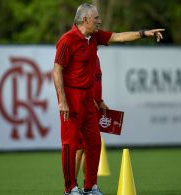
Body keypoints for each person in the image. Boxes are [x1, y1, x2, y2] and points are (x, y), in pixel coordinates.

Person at [53, 3, 164, 195]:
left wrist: (145, 33)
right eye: (96, 18)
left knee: (94, 142)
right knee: (70, 144)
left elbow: (119, 37)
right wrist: (62, 100)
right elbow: (57, 71)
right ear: (85, 20)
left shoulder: (94, 37)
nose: (99, 21)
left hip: (88, 98)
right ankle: (70, 188)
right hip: (72, 98)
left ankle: (90, 187)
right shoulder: (67, 40)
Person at [75, 54, 108, 188]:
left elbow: (95, 82)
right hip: (83, 106)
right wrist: (91, 99)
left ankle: (88, 185)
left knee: (88, 148)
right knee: (79, 148)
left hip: (93, 107)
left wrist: (100, 101)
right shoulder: (83, 56)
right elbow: (78, 81)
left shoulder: (95, 57)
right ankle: (71, 186)